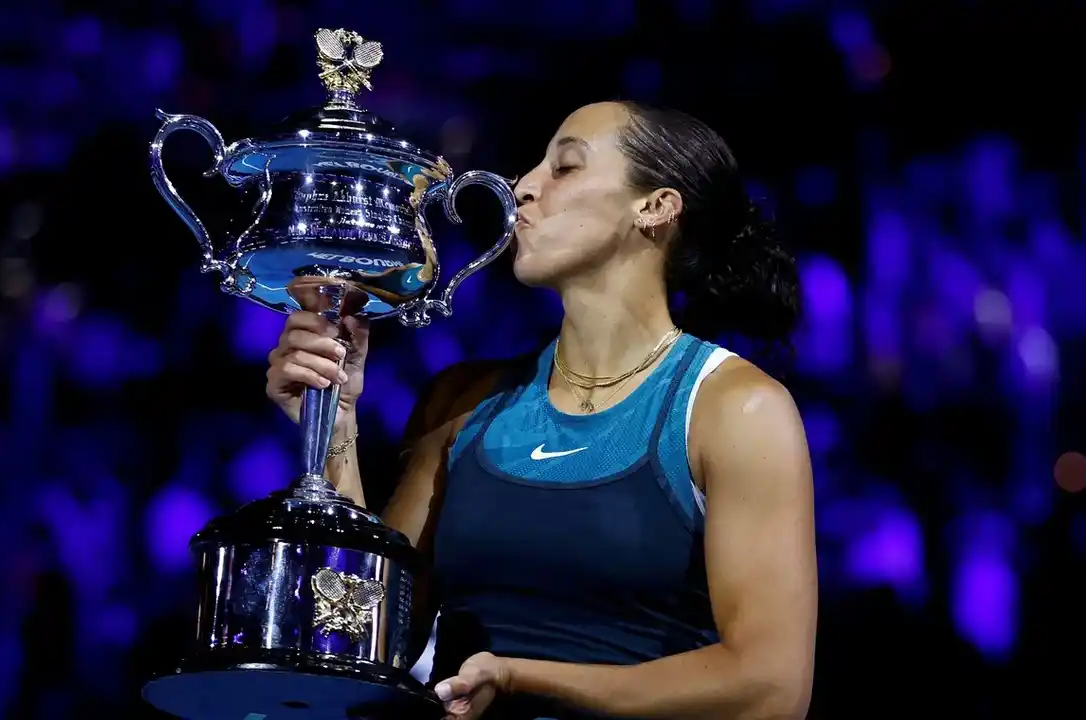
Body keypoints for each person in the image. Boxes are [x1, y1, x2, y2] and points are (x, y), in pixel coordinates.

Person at [265, 101, 817, 720]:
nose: (522, 187)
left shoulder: (735, 409)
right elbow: (366, 637)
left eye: (566, 166)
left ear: (655, 207)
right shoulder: (462, 402)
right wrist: (335, 425)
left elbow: (771, 688)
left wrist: (522, 677)